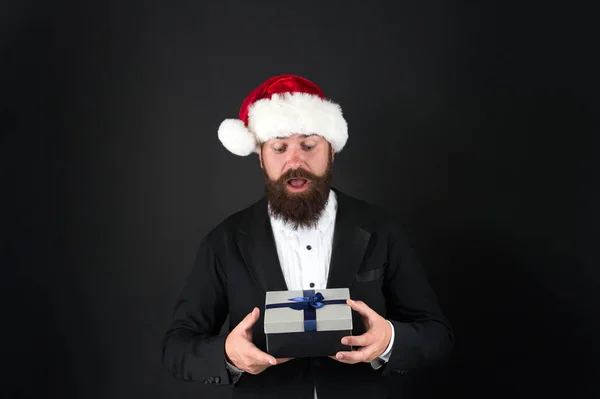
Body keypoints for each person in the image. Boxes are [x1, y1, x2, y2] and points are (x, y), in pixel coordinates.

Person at [161, 74, 453, 399]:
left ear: (331, 150)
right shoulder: (224, 241)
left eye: (309, 145)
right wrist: (228, 355)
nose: (295, 161)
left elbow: (437, 335)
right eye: (279, 147)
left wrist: (390, 341)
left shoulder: (381, 228)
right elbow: (177, 347)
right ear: (260, 156)